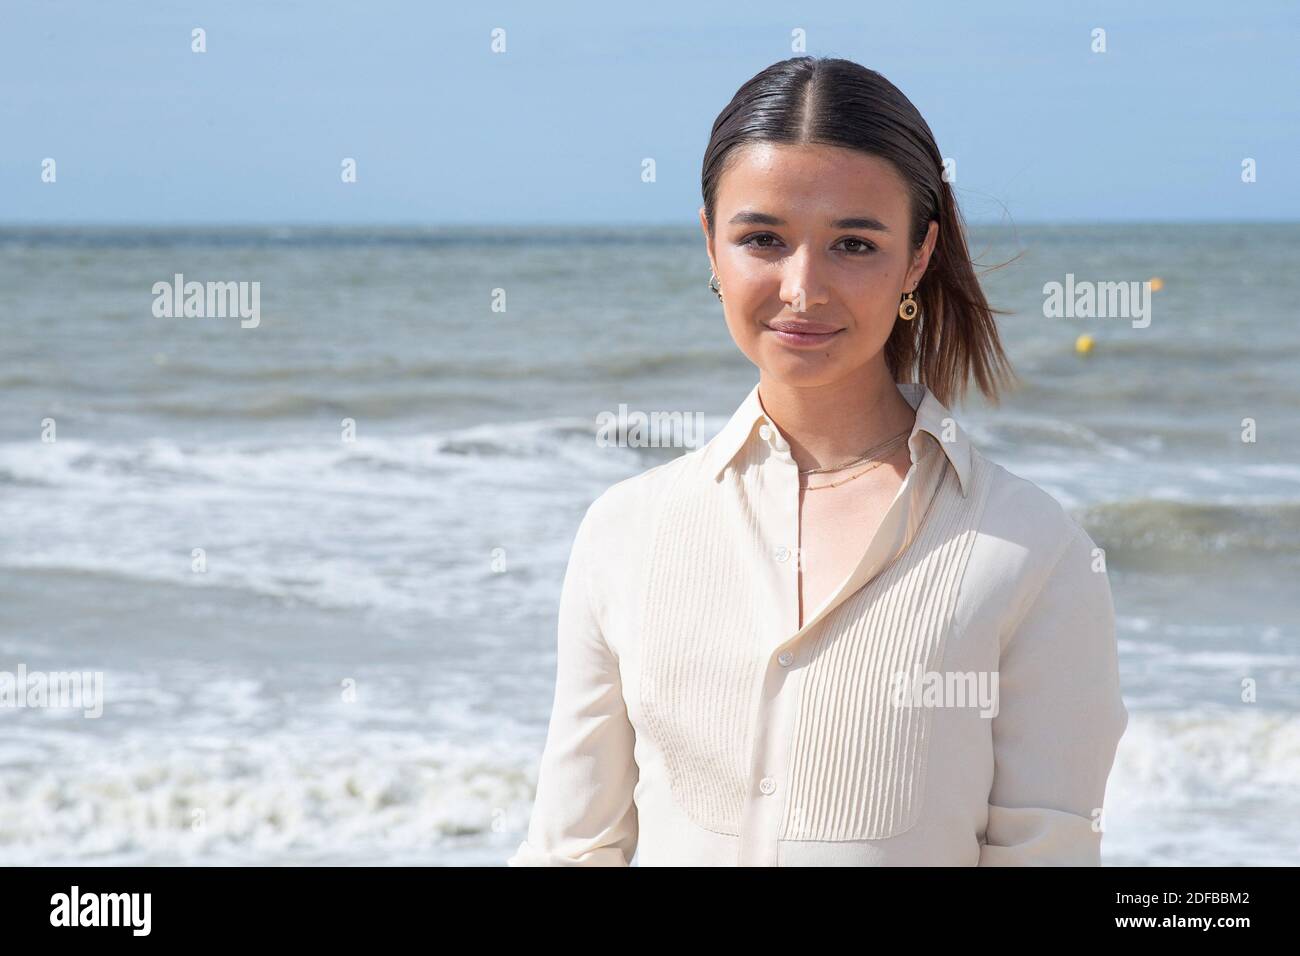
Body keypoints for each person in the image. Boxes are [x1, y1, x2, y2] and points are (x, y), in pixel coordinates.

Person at [508, 56, 1128, 866]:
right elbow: (573, 849)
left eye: (854, 244)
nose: (802, 288)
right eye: (763, 238)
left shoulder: (1034, 552)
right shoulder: (623, 534)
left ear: (916, 257)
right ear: (710, 241)